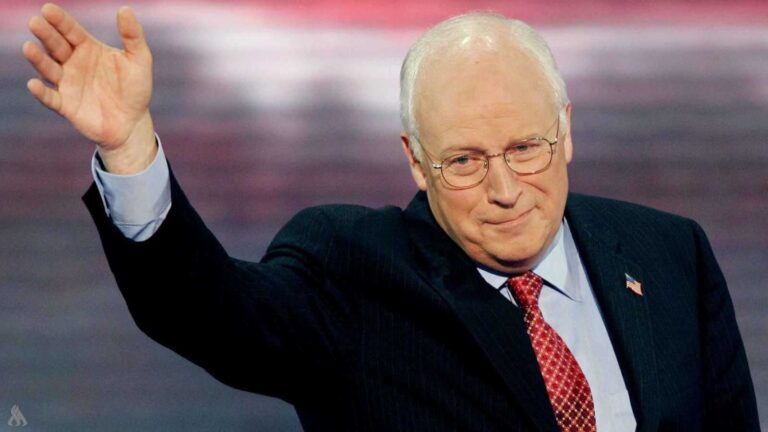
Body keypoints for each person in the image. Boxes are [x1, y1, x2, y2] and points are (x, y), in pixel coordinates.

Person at [23, 3, 759, 431]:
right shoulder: (355, 270)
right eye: (464, 160)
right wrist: (130, 149)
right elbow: (212, 313)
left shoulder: (669, 254)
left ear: (565, 129)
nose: (506, 189)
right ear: (415, 161)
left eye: (526, 148)